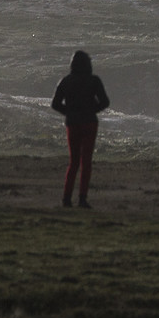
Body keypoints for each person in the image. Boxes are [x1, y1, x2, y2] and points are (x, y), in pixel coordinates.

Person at [50, 50, 110, 209]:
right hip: (89, 123)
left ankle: (66, 198)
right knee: (86, 162)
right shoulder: (94, 81)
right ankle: (82, 198)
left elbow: (55, 104)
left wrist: (69, 112)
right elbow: (105, 102)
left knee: (73, 162)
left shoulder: (65, 81)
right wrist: (91, 110)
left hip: (72, 123)